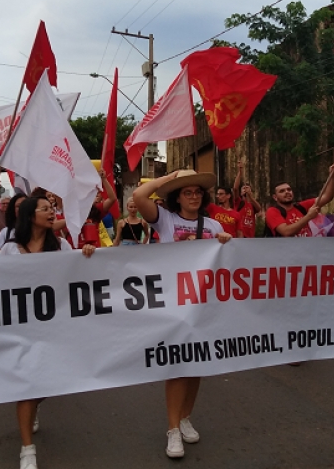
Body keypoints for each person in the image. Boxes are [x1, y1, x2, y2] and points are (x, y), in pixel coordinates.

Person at [0, 195, 95, 469]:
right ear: (31, 215)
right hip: (20, 328)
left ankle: (36, 402)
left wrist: (88, 254)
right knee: (27, 385)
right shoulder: (9, 249)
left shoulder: (62, 246)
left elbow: (77, 274)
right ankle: (27, 448)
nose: (52, 212)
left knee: (46, 382)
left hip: (54, 328)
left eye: (53, 208)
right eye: (45, 209)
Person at [133, 170, 232, 459]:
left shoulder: (213, 225)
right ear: (177, 197)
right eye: (186, 192)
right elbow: (139, 196)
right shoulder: (165, 220)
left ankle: (186, 416)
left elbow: (228, 264)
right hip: (173, 304)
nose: (193, 196)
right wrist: (169, 177)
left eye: (198, 192)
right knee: (179, 365)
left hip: (204, 305)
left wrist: (226, 242)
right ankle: (173, 429)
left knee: (198, 363)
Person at [265, 162, 334, 237]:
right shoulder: (272, 211)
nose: (287, 192)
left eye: (289, 189)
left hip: (305, 248)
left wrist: (332, 177)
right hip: (286, 249)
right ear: (275, 197)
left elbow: (327, 197)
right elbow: (286, 232)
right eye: (282, 191)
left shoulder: (301, 207)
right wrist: (308, 217)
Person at [232, 160, 262, 238]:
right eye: (243, 188)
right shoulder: (239, 202)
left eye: (247, 188)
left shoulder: (252, 204)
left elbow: (259, 208)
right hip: (239, 236)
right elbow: (235, 188)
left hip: (250, 237)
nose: (245, 189)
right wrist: (240, 172)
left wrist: (250, 196)